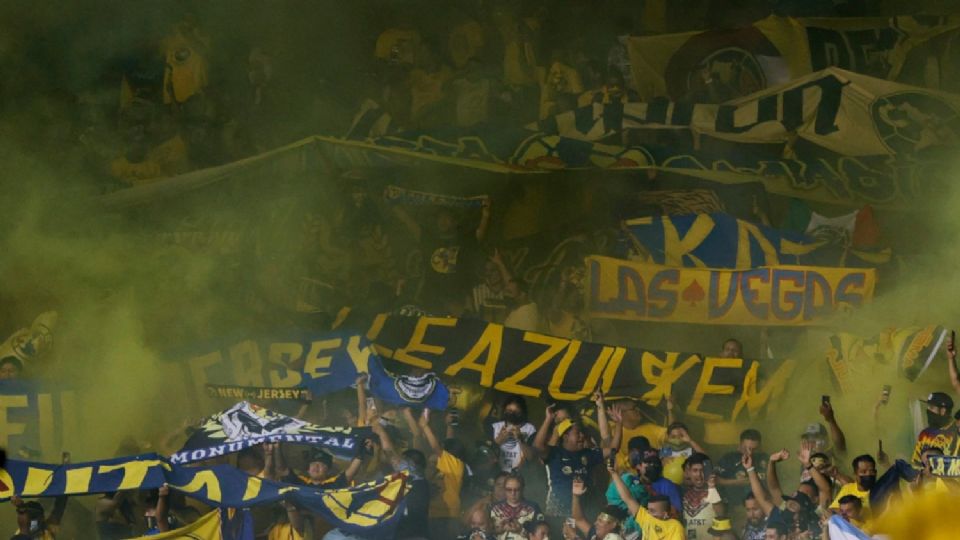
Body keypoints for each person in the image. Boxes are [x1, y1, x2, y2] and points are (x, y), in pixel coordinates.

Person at [534, 391, 612, 522]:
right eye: (558, 421)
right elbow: (539, 448)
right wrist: (552, 426)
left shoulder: (585, 442)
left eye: (565, 420)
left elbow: (607, 441)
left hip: (587, 506)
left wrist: (600, 407)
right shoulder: (553, 449)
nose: (563, 424)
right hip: (559, 510)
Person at [605, 438, 682, 536]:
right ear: (639, 466)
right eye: (648, 462)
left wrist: (651, 494)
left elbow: (676, 515)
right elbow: (621, 501)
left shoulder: (667, 485)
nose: (653, 465)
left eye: (656, 462)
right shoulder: (629, 481)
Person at [418, 408, 468, 540]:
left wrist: (425, 426)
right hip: (439, 514)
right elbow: (449, 442)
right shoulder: (454, 465)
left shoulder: (455, 463)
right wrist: (449, 426)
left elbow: (437, 447)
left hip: (445, 516)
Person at [607, 466, 685, 540]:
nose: (648, 512)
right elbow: (627, 498)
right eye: (648, 509)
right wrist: (614, 473)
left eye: (652, 511)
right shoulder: (646, 518)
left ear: (665, 514)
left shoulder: (675, 527)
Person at [716, 429, 768, 506]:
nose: (750, 452)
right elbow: (715, 480)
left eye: (754, 449)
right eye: (746, 448)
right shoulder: (728, 458)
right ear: (740, 444)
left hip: (762, 505)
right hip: (735, 505)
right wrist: (736, 482)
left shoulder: (764, 459)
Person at [492, 395, 537, 472]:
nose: (512, 414)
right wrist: (499, 439)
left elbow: (531, 457)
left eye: (516, 412)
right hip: (497, 473)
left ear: (522, 412)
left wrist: (520, 439)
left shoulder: (530, 429)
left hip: (521, 473)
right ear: (504, 410)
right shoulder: (495, 427)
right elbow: (485, 455)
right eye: (509, 410)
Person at [911, 391, 956, 466]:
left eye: (931, 407)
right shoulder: (925, 434)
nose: (928, 410)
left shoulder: (956, 433)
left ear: (943, 411)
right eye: (928, 407)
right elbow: (916, 463)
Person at [681, 453, 715, 540]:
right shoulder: (681, 493)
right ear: (689, 472)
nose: (699, 474)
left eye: (703, 470)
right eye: (695, 470)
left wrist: (712, 487)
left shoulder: (717, 492)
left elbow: (721, 514)